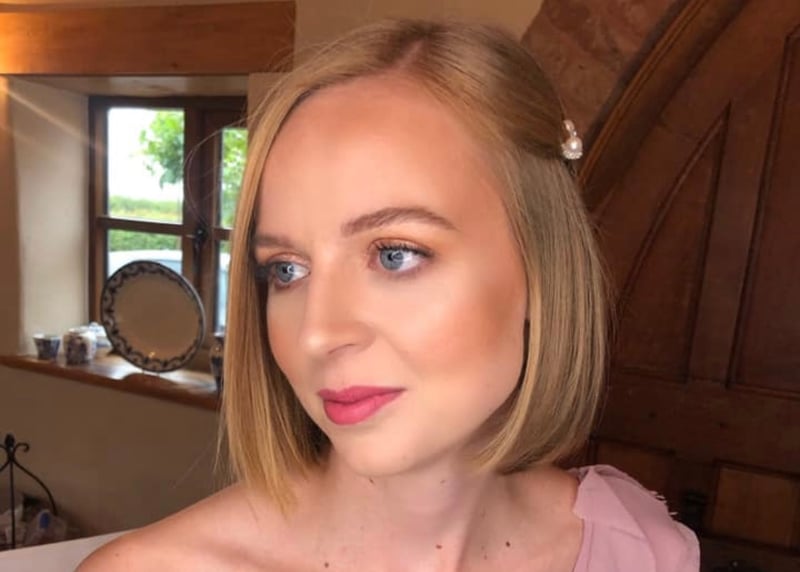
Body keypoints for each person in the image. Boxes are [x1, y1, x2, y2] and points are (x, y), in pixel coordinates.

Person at [80, 19, 700, 571]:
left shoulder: (641, 551)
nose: (318, 333)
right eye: (287, 270)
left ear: (543, 272)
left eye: (395, 254)